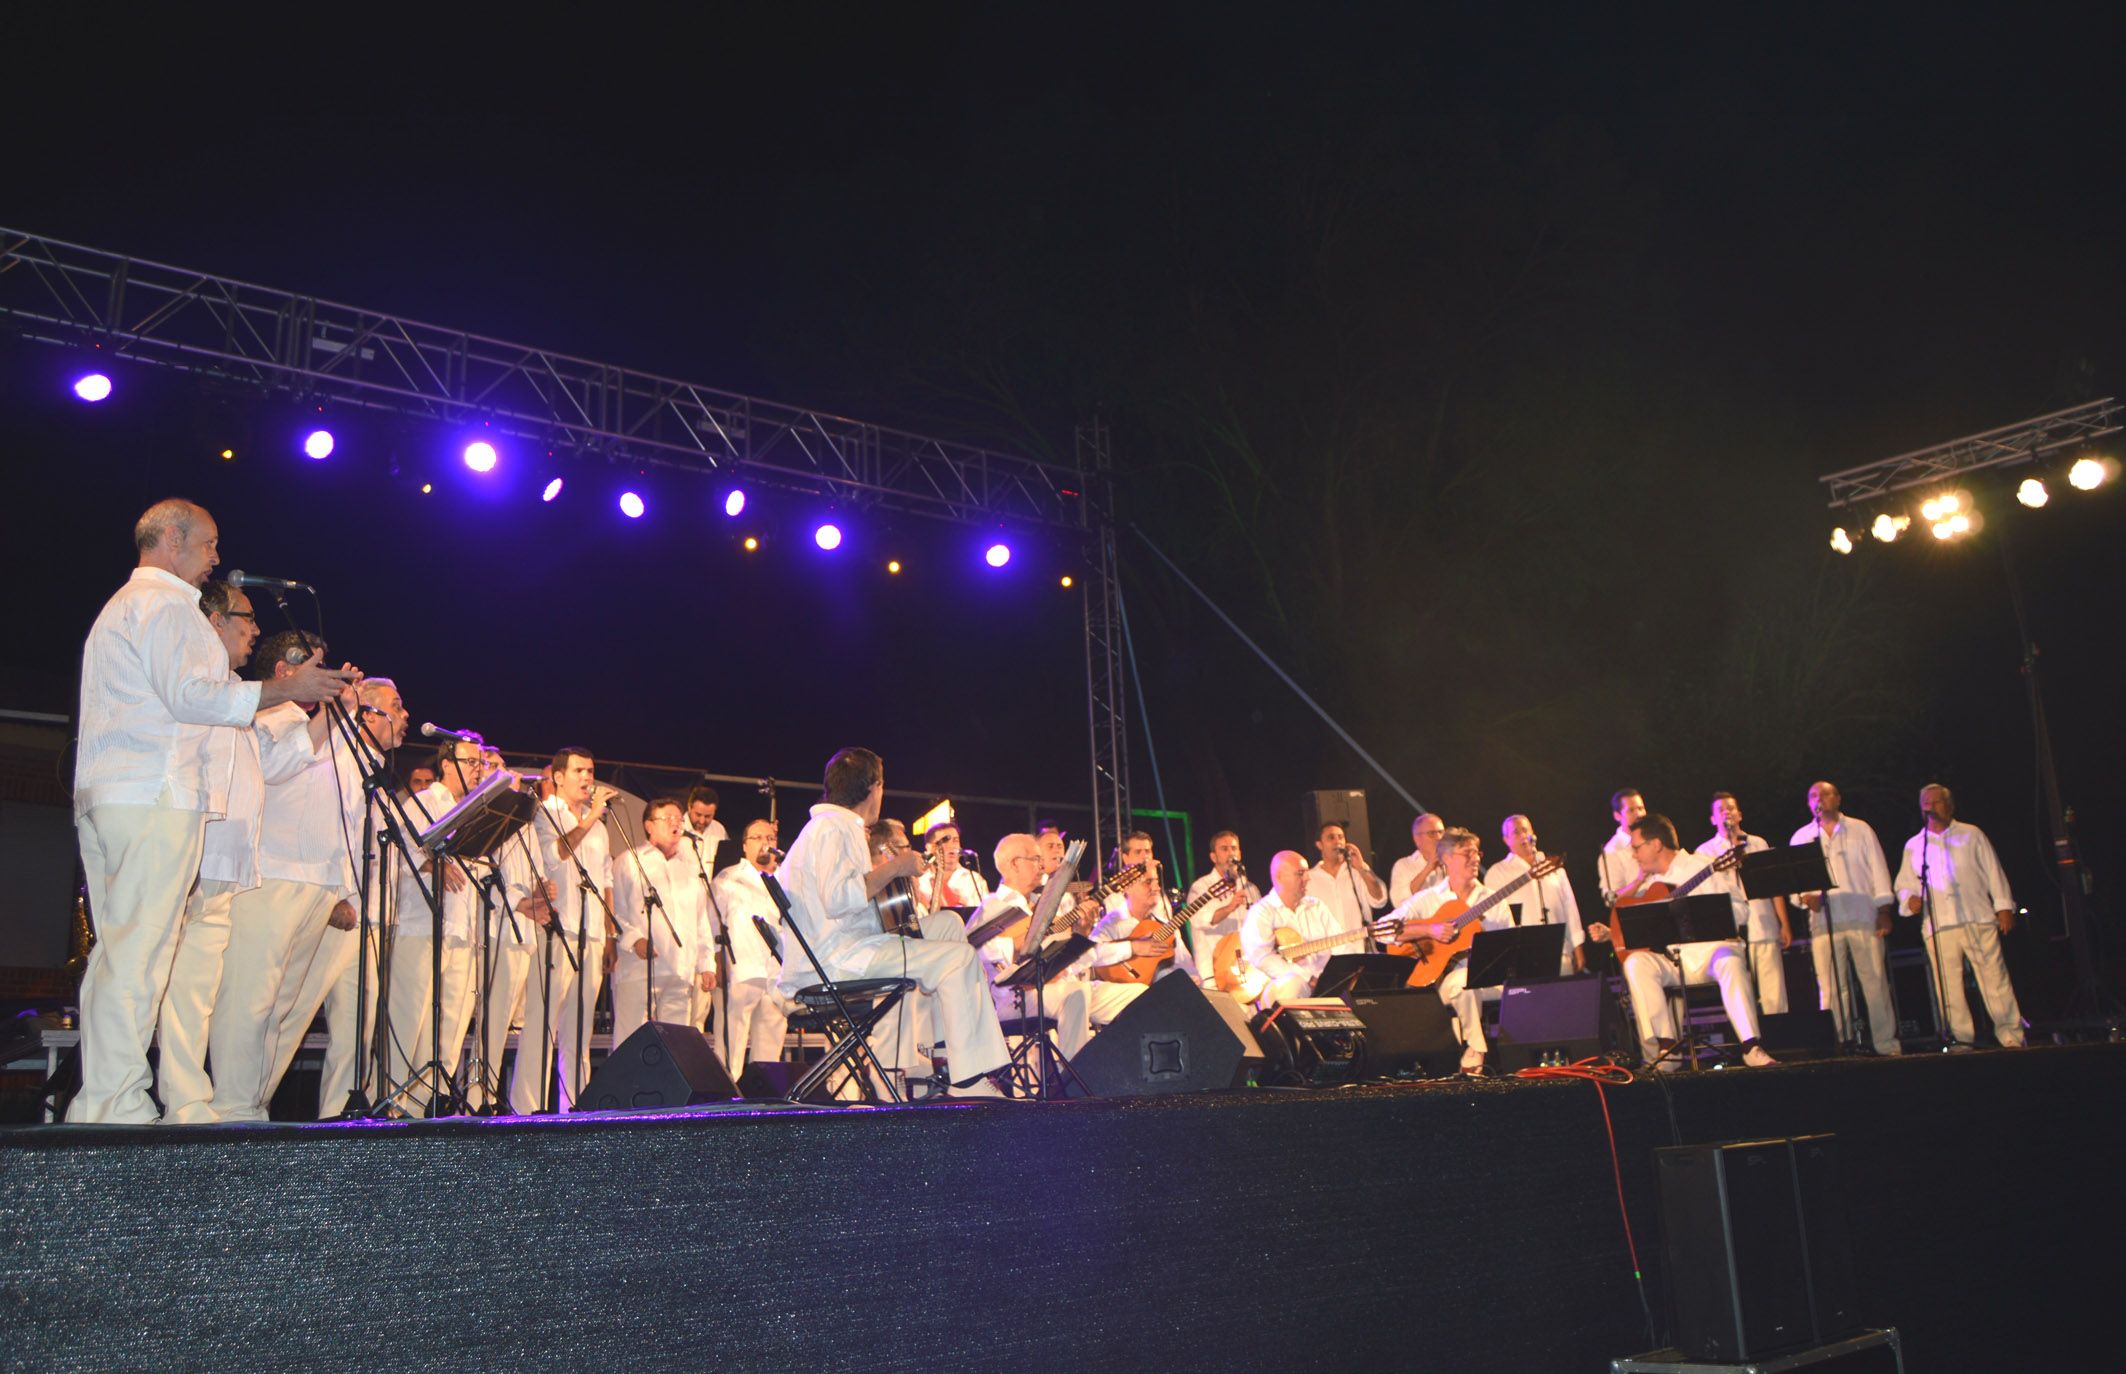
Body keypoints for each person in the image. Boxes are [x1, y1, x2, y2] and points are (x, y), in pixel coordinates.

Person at [69, 499, 353, 1123]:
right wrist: (290, 690)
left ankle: (104, 1097)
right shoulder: (166, 605)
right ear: (172, 538)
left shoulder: (129, 605)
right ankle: (114, 1101)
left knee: (125, 951)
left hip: (120, 791)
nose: (217, 557)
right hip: (154, 793)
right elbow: (193, 696)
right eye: (209, 543)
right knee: (140, 953)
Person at [156, 582, 322, 1122]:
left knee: (200, 988)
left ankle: (193, 1095)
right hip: (196, 853)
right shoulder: (207, 689)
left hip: (227, 862)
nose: (254, 630)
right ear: (214, 622)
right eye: (245, 619)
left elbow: (261, 771)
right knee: (181, 985)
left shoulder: (230, 690)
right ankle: (181, 1096)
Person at [774, 748, 1008, 1097]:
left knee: (946, 925)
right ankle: (968, 1082)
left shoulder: (832, 827)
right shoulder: (833, 828)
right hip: (838, 959)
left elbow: (843, 905)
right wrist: (896, 867)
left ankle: (943, 1051)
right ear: (874, 787)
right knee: (959, 959)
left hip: (844, 947)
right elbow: (840, 900)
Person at [204, 629, 362, 1122]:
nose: (326, 679)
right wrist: (332, 714)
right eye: (316, 670)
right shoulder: (268, 715)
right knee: (251, 998)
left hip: (315, 882)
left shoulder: (316, 723)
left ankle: (252, 1102)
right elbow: (274, 766)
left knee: (285, 1007)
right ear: (283, 673)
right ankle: (231, 1106)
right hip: (272, 876)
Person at [1588, 814, 1776, 1070]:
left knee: (1728, 959)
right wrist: (1613, 933)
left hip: (1710, 953)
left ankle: (1750, 1045)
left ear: (1656, 844)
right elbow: (1645, 930)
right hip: (1674, 961)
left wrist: (1705, 911)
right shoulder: (1651, 884)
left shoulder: (1705, 865)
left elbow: (1741, 912)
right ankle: (1668, 1048)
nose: (1634, 855)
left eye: (1637, 847)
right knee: (1636, 963)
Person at [508, 747, 616, 1113]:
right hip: (556, 930)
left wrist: (609, 933)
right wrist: (588, 821)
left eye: (591, 770)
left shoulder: (599, 827)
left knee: (579, 1032)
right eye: (580, 771)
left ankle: (576, 1107)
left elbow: (605, 880)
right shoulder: (544, 813)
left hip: (591, 935)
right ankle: (527, 1108)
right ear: (558, 777)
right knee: (542, 1025)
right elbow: (556, 854)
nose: (588, 778)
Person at [1895, 784, 2025, 1049]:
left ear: (1949, 805)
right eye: (1925, 803)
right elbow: (1903, 884)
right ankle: (1960, 1038)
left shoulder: (1971, 834)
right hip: (1939, 924)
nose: (1931, 807)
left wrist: (2003, 907)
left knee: (1994, 979)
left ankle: (2011, 1034)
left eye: (1936, 802)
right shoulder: (1915, 845)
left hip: (1976, 917)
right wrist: (1910, 899)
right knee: (1948, 986)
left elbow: (1993, 871)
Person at [1790, 780, 1901, 1057]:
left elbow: (1878, 870)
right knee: (1830, 989)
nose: (1820, 799)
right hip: (1824, 923)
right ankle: (1838, 1044)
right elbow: (1794, 885)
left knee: (1874, 983)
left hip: (1862, 916)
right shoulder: (1802, 837)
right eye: (1813, 795)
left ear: (1837, 799)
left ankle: (1887, 1045)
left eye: (1825, 794)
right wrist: (1805, 898)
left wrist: (1884, 910)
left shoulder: (1860, 829)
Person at [1387, 827, 1505, 1073]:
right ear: (1446, 859)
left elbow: (1509, 946)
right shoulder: (1429, 898)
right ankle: (1465, 1055)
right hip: (1438, 983)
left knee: (1462, 982)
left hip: (1488, 981)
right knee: (1457, 984)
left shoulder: (1493, 899)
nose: (1475, 859)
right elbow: (1385, 929)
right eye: (1466, 853)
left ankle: (1474, 1051)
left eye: (1477, 853)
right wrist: (1429, 930)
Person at [611, 797, 717, 1048]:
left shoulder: (692, 867)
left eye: (679, 819)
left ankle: (669, 1089)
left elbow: (701, 919)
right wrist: (634, 939)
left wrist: (706, 962)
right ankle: (627, 1088)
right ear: (649, 825)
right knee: (631, 1039)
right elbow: (615, 909)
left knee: (675, 1044)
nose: (675, 824)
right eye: (667, 819)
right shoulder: (629, 861)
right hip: (639, 967)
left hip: (680, 969)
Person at [1697, 793, 1793, 1015]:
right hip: (1729, 929)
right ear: (1713, 819)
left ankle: (1779, 1034)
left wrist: (1784, 923)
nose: (1726, 812)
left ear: (1739, 814)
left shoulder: (1758, 843)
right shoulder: (1705, 852)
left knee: (1773, 989)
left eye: (1730, 808)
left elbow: (1773, 886)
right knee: (1740, 990)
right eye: (1720, 810)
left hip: (1763, 922)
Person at [709, 819, 792, 1074]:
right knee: (731, 1046)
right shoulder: (729, 877)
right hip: (741, 970)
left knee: (769, 1051)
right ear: (744, 845)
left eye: (770, 838)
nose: (765, 843)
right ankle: (727, 1104)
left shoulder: (785, 880)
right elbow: (712, 921)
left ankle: (763, 1102)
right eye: (757, 837)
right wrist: (716, 960)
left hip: (776, 974)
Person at [1239, 850, 1349, 1007]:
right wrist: (1307, 977)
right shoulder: (1261, 912)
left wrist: (1333, 977)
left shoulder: (1316, 906)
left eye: (1307, 872)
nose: (1307, 878)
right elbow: (1262, 957)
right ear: (1279, 877)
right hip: (1284, 991)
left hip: (1326, 987)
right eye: (1300, 873)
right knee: (1293, 984)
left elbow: (1341, 944)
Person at [1483, 814, 1586, 975]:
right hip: (1521, 956)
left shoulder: (1553, 867)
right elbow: (1492, 919)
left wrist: (1578, 948)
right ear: (1506, 840)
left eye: (1525, 830)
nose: (1523, 835)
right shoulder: (1497, 873)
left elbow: (1570, 908)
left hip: (1559, 952)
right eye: (1516, 832)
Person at [1184, 830, 1258, 986]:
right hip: (1214, 971)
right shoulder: (1201, 887)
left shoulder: (1250, 888)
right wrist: (1230, 907)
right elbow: (1200, 921)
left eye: (1234, 848)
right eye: (1224, 849)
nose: (1231, 853)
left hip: (1247, 970)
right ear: (1213, 857)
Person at [1304, 821, 1388, 935]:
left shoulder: (1358, 870)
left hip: (1361, 947)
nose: (1337, 841)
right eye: (1331, 837)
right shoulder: (1310, 879)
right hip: (1328, 950)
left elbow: (1380, 900)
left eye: (1341, 837)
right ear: (1319, 844)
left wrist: (1361, 868)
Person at [914, 821, 990, 909]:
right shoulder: (919, 880)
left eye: (955, 840)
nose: (952, 846)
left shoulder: (974, 879)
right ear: (930, 847)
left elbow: (983, 917)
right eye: (945, 841)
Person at [1597, 788, 1648, 906]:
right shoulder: (1611, 852)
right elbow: (1611, 899)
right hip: (1639, 915)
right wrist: (1639, 881)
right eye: (1631, 810)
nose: (1639, 814)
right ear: (1617, 816)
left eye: (1641, 808)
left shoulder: (1654, 836)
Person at [1389, 812, 1448, 906]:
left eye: (1441, 832)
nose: (1439, 838)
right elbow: (1399, 902)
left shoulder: (1452, 862)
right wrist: (1428, 868)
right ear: (1417, 839)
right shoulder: (1404, 865)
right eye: (1432, 833)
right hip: (1420, 920)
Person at [683, 785, 728, 873]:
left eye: (708, 816)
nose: (702, 821)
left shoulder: (719, 829)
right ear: (689, 807)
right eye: (698, 815)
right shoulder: (677, 828)